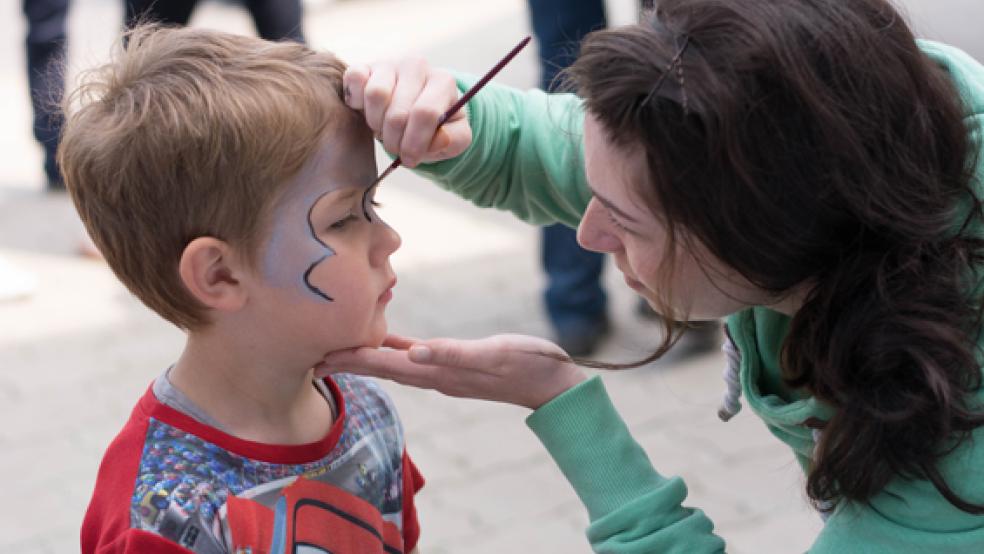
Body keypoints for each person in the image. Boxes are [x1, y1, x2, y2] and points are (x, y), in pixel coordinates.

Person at [323, 0, 984, 550]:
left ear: (761, 234)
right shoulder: (844, 129)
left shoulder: (956, 455)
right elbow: (583, 153)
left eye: (625, 225)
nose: (585, 234)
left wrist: (570, 413)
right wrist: (459, 126)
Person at [61, 26, 422, 553]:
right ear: (219, 275)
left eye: (376, 207)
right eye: (346, 219)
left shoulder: (369, 411)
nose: (389, 239)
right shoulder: (163, 514)